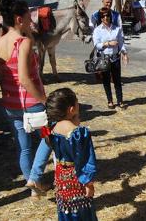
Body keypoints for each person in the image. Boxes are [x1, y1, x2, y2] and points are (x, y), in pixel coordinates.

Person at [0, 0, 52, 196]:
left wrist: (29, 32)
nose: (31, 20)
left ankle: (33, 188)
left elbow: (1, 75)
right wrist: (45, 101)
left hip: (11, 104)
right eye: (29, 17)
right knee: (49, 137)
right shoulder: (23, 42)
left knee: (24, 147)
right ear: (19, 19)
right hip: (32, 102)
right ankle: (35, 178)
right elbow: (25, 79)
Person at [45, 88, 98, 220]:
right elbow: (86, 161)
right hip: (76, 179)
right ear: (71, 109)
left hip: (61, 178)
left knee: (67, 210)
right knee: (82, 211)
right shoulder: (78, 133)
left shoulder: (52, 127)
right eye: (77, 102)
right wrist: (88, 183)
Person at [92, 8, 129, 108]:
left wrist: (124, 53)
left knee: (117, 80)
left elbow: (121, 43)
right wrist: (108, 43)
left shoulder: (116, 29)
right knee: (106, 81)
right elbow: (96, 45)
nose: (105, 18)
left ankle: (120, 100)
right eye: (103, 16)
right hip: (104, 59)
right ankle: (110, 100)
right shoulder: (97, 30)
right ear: (100, 18)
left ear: (110, 16)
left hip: (115, 58)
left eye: (107, 15)